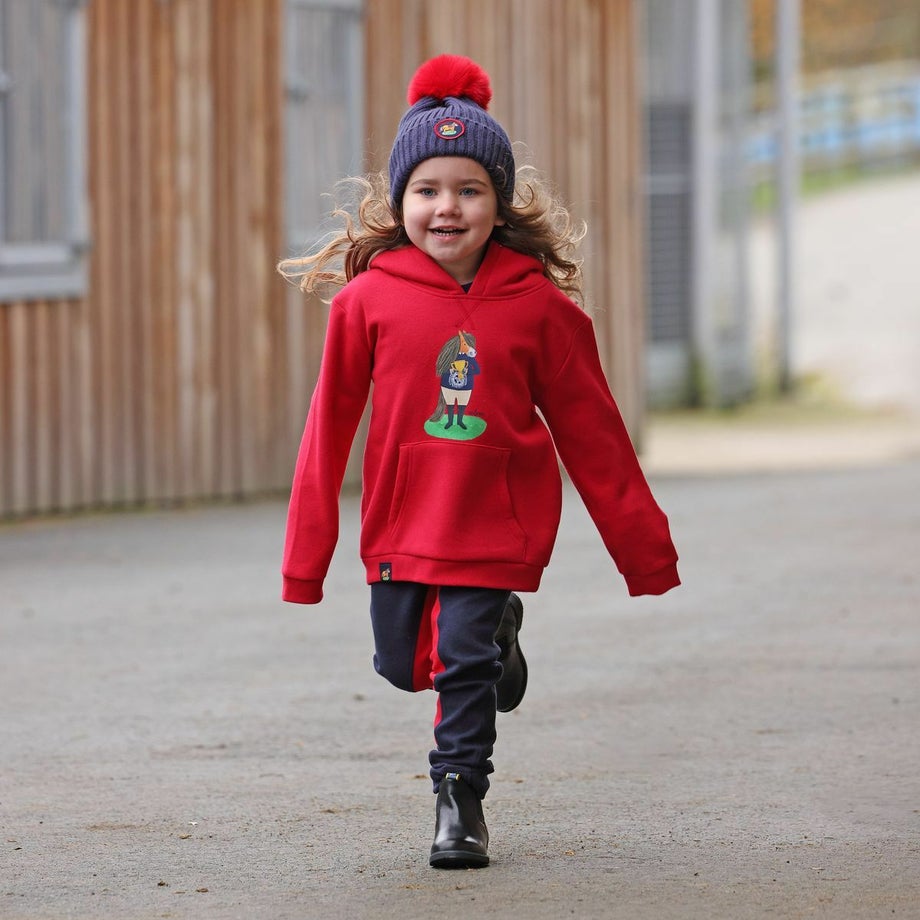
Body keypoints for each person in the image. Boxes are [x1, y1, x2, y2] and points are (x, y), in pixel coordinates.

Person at [278, 54, 680, 870]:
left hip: (497, 522)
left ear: (499, 203)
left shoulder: (540, 310)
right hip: (402, 522)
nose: (447, 207)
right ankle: (501, 637)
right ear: (400, 202)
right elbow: (326, 434)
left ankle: (459, 799)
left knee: (460, 661)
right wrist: (305, 559)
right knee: (402, 664)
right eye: (427, 190)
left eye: (469, 190)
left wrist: (645, 553)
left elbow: (596, 436)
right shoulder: (365, 304)